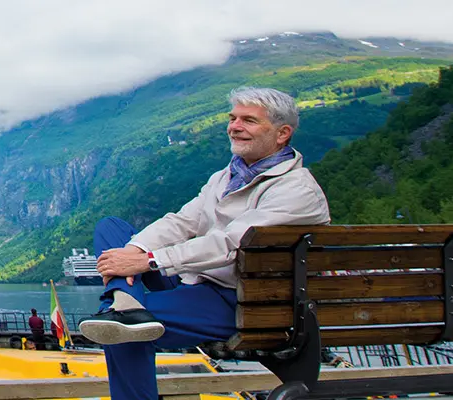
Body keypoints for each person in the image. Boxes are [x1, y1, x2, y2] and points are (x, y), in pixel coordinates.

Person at [79, 86, 331, 400]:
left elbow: (229, 245)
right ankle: (124, 304)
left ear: (282, 134)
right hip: (200, 285)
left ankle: (122, 310)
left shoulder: (296, 190)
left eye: (249, 121)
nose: (235, 126)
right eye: (233, 118)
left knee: (121, 333)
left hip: (243, 302)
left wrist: (149, 261)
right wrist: (136, 250)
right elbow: (182, 222)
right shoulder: (225, 177)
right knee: (112, 228)